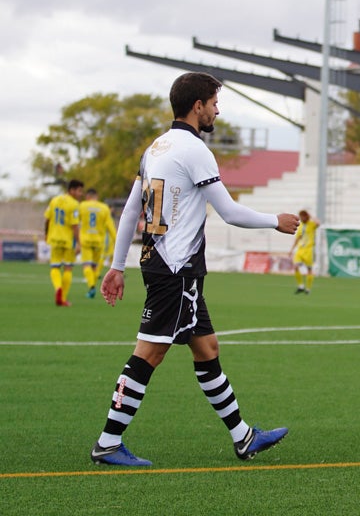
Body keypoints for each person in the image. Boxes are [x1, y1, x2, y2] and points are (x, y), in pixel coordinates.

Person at [90, 72, 300, 467]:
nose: (217, 109)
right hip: (176, 270)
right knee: (148, 355)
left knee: (207, 349)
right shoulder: (194, 150)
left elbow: (132, 210)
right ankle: (108, 441)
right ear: (197, 105)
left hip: (161, 264)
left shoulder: (155, 148)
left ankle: (244, 437)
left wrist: (118, 266)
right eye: (214, 102)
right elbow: (229, 212)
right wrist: (276, 220)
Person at [44, 179, 83, 306]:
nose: (80, 194)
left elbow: (47, 219)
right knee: (68, 268)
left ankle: (57, 288)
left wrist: (46, 234)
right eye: (79, 191)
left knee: (54, 267)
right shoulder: (74, 204)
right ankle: (63, 298)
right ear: (71, 190)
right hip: (67, 240)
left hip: (54, 238)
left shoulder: (54, 200)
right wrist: (79, 243)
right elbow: (75, 226)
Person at [79, 188, 117, 299]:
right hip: (98, 241)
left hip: (85, 240)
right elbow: (110, 227)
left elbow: (75, 223)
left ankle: (91, 287)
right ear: (97, 196)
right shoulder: (104, 208)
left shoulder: (82, 206)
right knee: (95, 267)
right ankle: (93, 286)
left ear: (87, 196)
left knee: (86, 265)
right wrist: (116, 241)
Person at [289, 209, 319, 294]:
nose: (301, 218)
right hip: (300, 250)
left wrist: (311, 216)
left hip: (309, 250)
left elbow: (318, 223)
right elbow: (298, 238)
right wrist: (291, 249)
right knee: (295, 267)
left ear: (306, 216)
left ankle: (308, 289)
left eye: (303, 216)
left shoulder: (312, 224)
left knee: (309, 269)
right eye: (300, 216)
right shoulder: (301, 225)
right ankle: (301, 286)